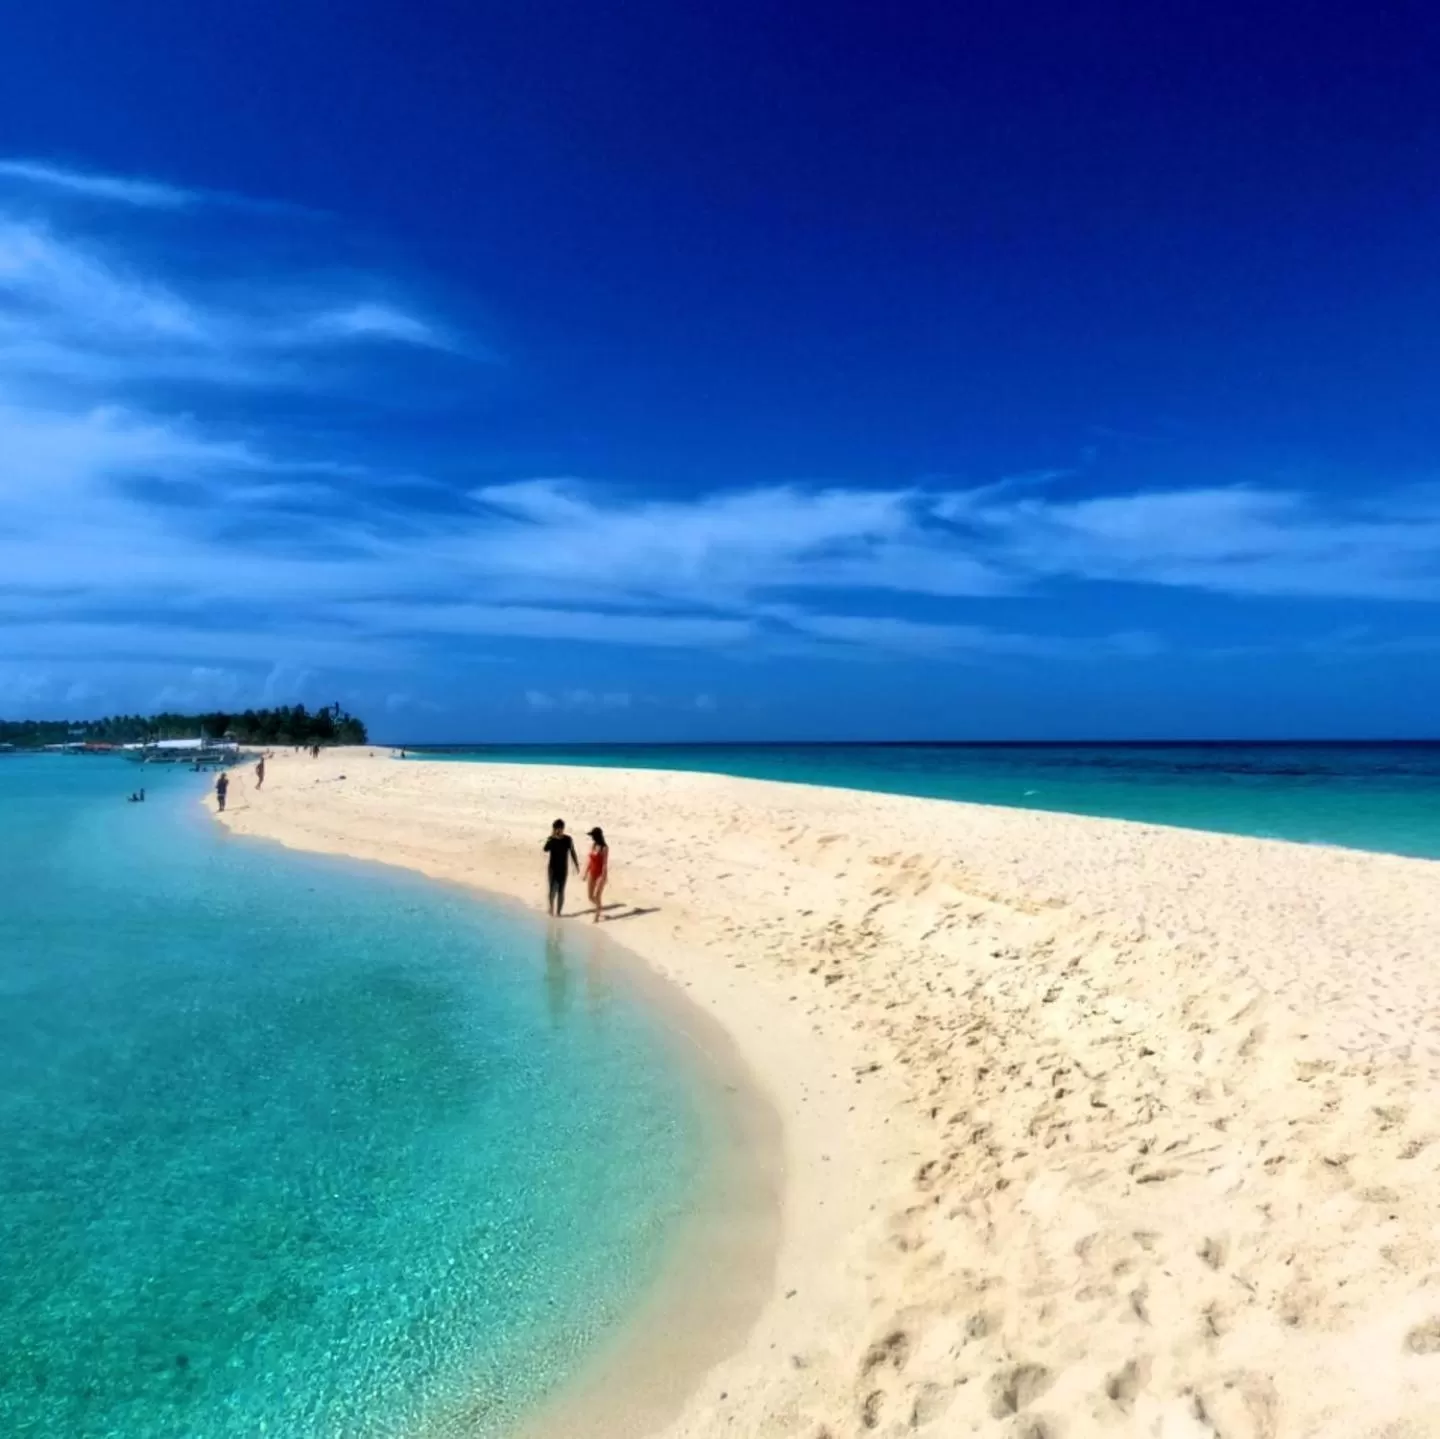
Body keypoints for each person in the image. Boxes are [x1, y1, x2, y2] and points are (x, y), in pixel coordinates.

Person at [543, 819, 579, 916]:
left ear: (562, 829)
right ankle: (551, 908)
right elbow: (545, 849)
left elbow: (572, 852)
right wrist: (550, 838)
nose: (557, 831)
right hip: (552, 869)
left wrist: (576, 864)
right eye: (555, 829)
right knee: (552, 890)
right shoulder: (551, 839)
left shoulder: (568, 839)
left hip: (563, 869)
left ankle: (558, 912)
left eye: (559, 829)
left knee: (561, 891)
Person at [585, 827, 609, 923]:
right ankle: (599, 908)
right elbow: (590, 860)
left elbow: (604, 863)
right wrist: (585, 872)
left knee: (597, 895)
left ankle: (596, 917)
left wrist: (603, 876)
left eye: (593, 836)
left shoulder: (604, 848)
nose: (592, 838)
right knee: (590, 896)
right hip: (592, 872)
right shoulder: (593, 845)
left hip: (600, 874)